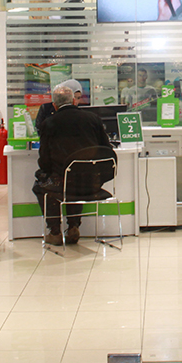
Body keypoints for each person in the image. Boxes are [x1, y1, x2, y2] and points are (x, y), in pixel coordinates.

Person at [33, 84, 115, 245]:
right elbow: (107, 148)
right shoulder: (93, 119)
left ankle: (55, 232)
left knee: (42, 186)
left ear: (54, 105)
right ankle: (73, 226)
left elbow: (44, 160)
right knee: (76, 179)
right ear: (73, 101)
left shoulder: (49, 123)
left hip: (63, 182)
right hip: (92, 183)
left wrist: (46, 173)